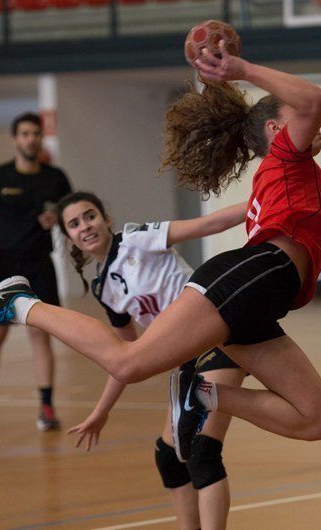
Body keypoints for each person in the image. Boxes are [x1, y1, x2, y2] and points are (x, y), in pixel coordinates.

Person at [0, 44, 321, 462]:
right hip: (255, 277)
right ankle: (21, 304)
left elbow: (306, 109)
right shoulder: (287, 157)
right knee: (127, 363)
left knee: (316, 419)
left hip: (266, 298)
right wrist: (239, 69)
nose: (313, 123)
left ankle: (201, 394)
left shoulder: (281, 170)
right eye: (293, 116)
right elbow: (314, 99)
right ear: (275, 131)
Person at [56, 191, 246, 530]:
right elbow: (126, 357)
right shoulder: (106, 289)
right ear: (70, 238)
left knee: (202, 451)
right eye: (74, 224)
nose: (85, 226)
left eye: (90, 216)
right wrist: (102, 411)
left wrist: (262, 203)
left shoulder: (136, 238)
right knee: (170, 457)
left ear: (106, 219)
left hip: (220, 341)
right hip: (187, 361)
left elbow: (208, 223)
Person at [0, 111, 72, 432]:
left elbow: (70, 216)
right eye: (24, 134)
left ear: (42, 138)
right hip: (4, 265)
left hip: (40, 264)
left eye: (35, 133)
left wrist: (59, 221)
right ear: (15, 139)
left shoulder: (56, 178)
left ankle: (46, 407)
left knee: (40, 335)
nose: (31, 139)